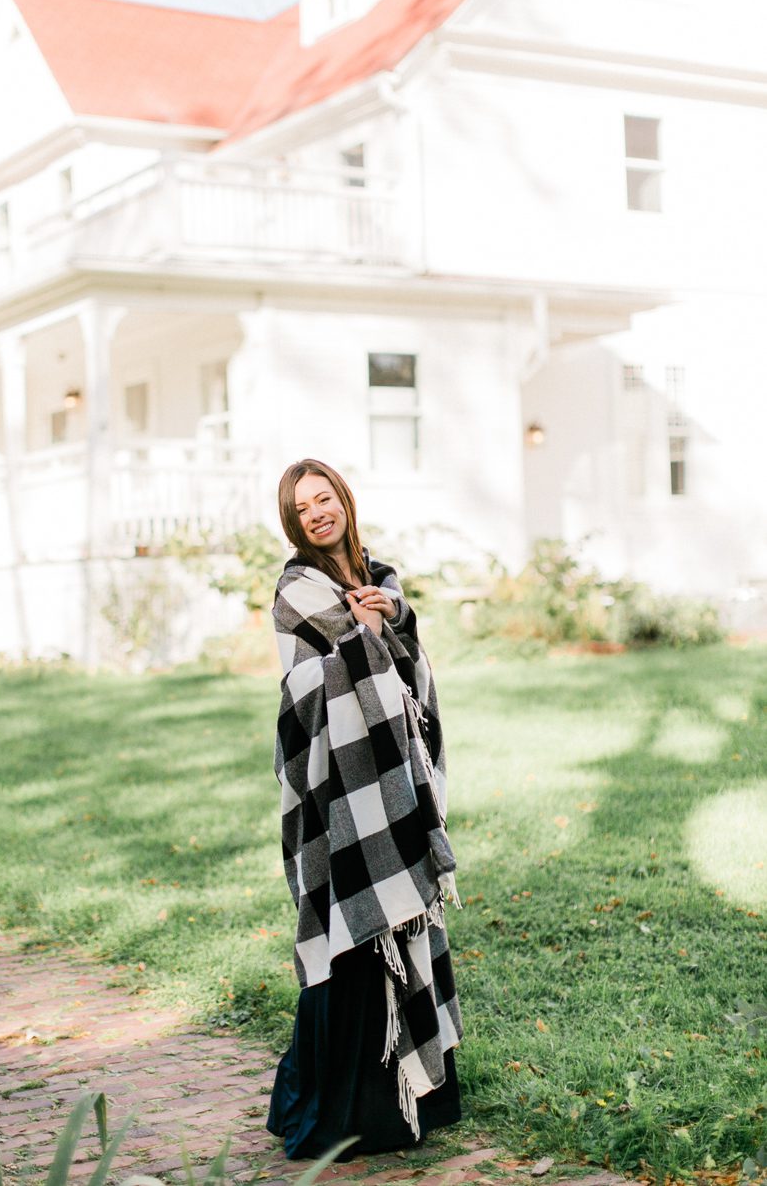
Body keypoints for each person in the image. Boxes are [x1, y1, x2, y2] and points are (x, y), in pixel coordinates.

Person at [267, 457, 463, 1161]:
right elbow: (305, 690)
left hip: (395, 787)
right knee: (350, 934)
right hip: (340, 791)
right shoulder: (299, 589)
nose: (317, 512)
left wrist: (396, 620)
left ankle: (418, 1099)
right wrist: (365, 636)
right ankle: (337, 1112)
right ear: (292, 524)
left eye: (325, 499)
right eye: (302, 508)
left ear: (344, 501)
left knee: (405, 921)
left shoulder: (381, 578)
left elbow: (411, 673)